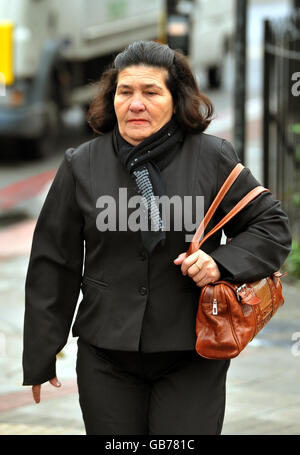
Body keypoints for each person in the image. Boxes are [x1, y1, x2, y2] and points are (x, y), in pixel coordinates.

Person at [22, 40, 291, 435]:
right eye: (125, 92)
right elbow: (53, 262)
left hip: (193, 352)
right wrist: (41, 355)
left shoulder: (212, 157)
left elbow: (272, 226)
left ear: (175, 99)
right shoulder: (81, 164)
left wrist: (221, 263)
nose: (135, 104)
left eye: (151, 92)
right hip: (105, 354)